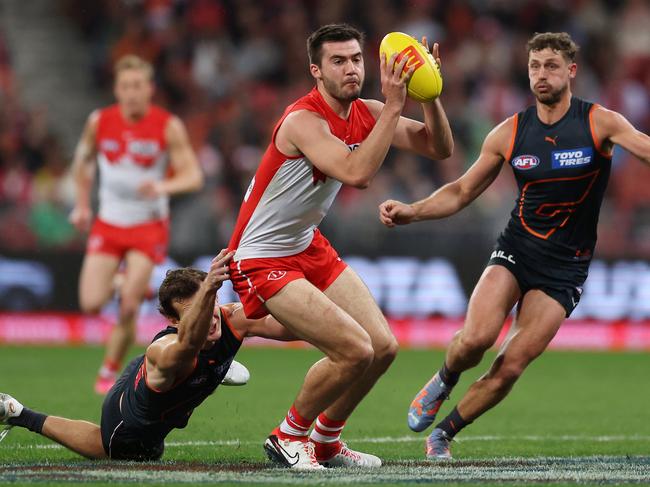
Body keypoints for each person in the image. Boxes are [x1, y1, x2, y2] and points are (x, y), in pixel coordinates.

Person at [379, 32, 650, 459]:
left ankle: (443, 436)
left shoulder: (601, 122)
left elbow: (646, 148)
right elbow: (461, 191)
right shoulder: (509, 132)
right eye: (535, 66)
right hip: (516, 250)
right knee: (475, 340)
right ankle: (444, 379)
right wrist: (413, 211)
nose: (542, 75)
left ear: (571, 72)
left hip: (565, 269)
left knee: (510, 367)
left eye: (552, 66)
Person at [228, 23, 453, 469]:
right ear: (316, 70)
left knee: (383, 347)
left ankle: (326, 443)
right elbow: (357, 174)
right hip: (259, 256)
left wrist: (429, 95)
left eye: (355, 59)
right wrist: (393, 106)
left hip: (306, 245)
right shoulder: (302, 121)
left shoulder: (367, 110)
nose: (351, 69)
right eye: (338, 61)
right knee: (355, 349)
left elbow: (439, 148)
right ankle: (287, 436)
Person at [0, 250, 299, 462]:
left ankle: (213, 369)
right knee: (134, 453)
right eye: (196, 311)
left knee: (203, 359)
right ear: (175, 322)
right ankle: (22, 415)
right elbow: (186, 349)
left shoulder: (230, 317)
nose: (209, 317)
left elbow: (291, 328)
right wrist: (208, 289)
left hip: (162, 372)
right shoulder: (164, 350)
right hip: (128, 422)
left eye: (211, 302)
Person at [68, 55, 204, 394]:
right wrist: (82, 205)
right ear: (117, 89)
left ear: (150, 89)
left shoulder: (167, 125)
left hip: (148, 226)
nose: (131, 93)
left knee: (129, 306)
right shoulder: (99, 122)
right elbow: (82, 163)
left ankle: (109, 368)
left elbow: (192, 175)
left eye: (138, 86)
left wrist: (163, 186)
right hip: (108, 223)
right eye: (125, 86)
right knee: (90, 302)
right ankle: (122, 283)